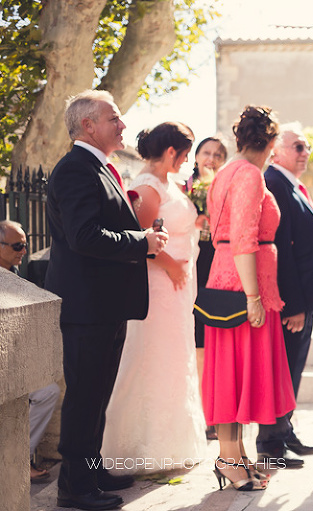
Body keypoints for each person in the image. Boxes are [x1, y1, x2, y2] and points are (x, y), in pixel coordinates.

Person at [46, 89, 168, 510]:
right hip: (87, 306)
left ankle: (90, 470)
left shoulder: (100, 167)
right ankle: (74, 488)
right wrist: (143, 241)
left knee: (98, 395)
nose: (123, 125)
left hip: (104, 305)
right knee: (84, 397)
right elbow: (84, 237)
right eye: (114, 118)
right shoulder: (75, 169)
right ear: (88, 125)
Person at [101, 122, 207, 474]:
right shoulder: (146, 187)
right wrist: (171, 265)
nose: (186, 161)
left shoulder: (167, 183)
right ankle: (140, 446)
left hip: (177, 290)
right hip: (158, 285)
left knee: (174, 358)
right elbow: (139, 239)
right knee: (152, 356)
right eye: (185, 153)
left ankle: (172, 443)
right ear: (173, 152)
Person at [202, 105, 296, 491]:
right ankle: (228, 459)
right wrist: (253, 297)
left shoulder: (225, 173)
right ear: (271, 142)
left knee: (234, 374)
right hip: (243, 284)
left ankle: (236, 457)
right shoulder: (248, 175)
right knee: (235, 375)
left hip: (230, 278)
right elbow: (242, 237)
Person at [259, 123, 313, 468]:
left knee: (293, 371)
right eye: (297, 147)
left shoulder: (290, 184)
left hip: (302, 300)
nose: (305, 153)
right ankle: (271, 445)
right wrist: (294, 305)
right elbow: (282, 253)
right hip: (292, 303)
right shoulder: (274, 183)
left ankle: (285, 431)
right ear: (276, 150)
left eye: (306, 147)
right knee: (282, 372)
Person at [0, 220, 60, 484]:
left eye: (25, 244)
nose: (23, 250)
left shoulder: (14, 274)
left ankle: (19, 459)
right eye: (17, 245)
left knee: (47, 391)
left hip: (13, 362)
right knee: (45, 392)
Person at [183, 136, 228, 441]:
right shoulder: (182, 190)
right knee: (197, 348)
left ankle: (214, 412)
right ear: (196, 156)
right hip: (191, 272)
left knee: (215, 347)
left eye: (218, 154)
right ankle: (200, 414)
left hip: (219, 272)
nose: (211, 159)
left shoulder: (227, 190)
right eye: (206, 153)